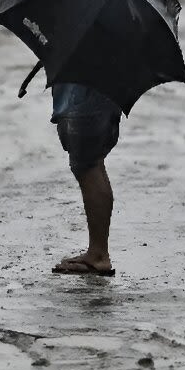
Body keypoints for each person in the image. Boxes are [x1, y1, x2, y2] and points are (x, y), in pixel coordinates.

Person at [49, 82, 122, 276]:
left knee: (88, 164)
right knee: (90, 163)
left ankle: (98, 255)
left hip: (88, 85)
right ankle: (97, 252)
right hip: (95, 82)